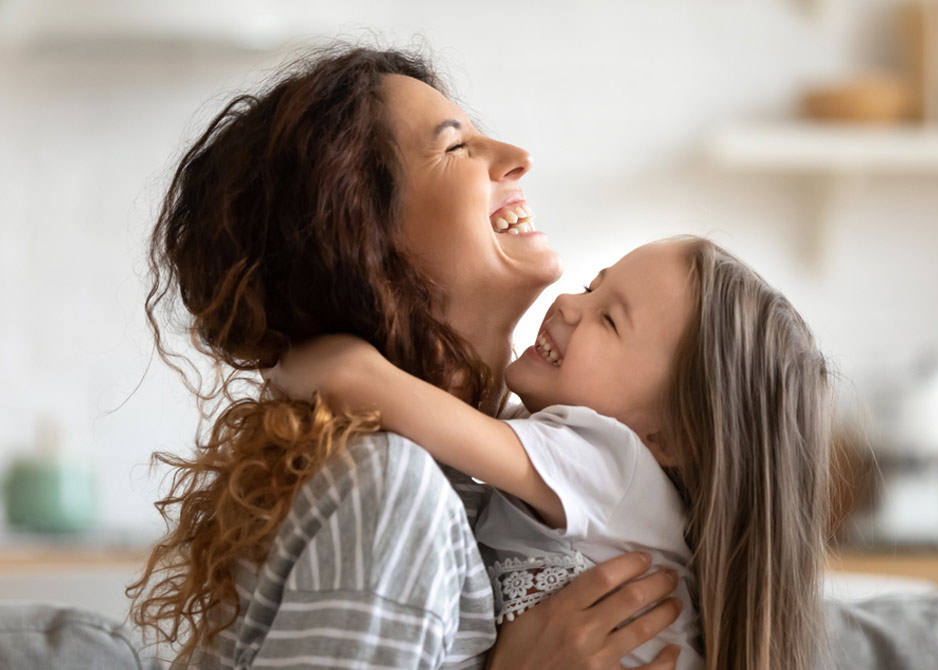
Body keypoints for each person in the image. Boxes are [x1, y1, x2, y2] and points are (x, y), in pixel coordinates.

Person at [128, 45, 683, 669]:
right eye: (456, 146)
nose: (519, 156)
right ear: (367, 243)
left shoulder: (477, 488)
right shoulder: (393, 492)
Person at [269, 236, 831, 670]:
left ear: (670, 438)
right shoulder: (582, 467)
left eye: (609, 320)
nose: (566, 303)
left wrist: (285, 351)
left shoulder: (609, 461)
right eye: (591, 287)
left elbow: (355, 382)